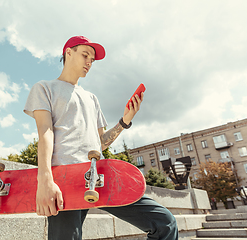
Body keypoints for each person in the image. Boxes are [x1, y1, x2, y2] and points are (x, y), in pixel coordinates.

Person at [24, 36, 178, 240]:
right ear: (68, 53)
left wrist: (125, 121)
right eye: (85, 55)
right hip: (66, 179)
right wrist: (45, 180)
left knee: (165, 223)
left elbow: (101, 143)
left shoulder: (92, 98)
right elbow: (45, 132)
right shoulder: (44, 88)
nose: (89, 62)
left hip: (98, 177)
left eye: (92, 60)